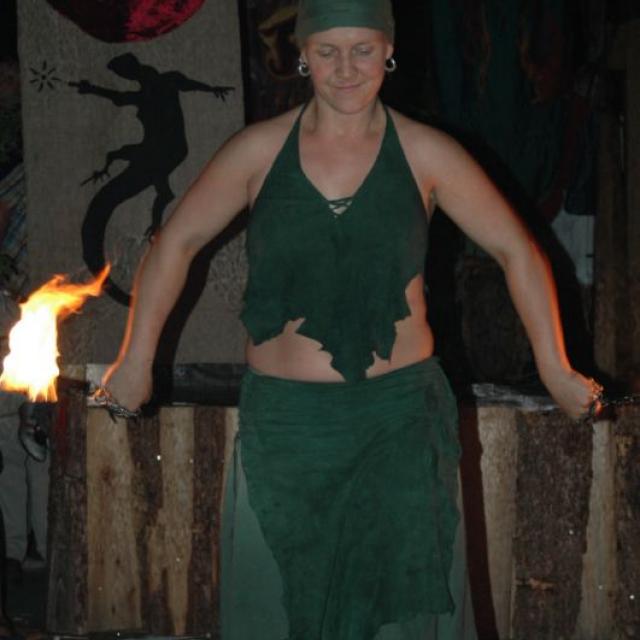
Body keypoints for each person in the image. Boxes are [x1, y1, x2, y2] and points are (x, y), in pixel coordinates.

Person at [102, 0, 602, 637]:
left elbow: (517, 250)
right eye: (327, 51)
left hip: (399, 423)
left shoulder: (427, 152)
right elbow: (176, 242)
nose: (345, 69)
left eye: (362, 50)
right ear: (303, 55)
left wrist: (557, 369)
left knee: (402, 616)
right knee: (275, 614)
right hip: (285, 427)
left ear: (388, 51)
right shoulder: (258, 151)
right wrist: (135, 361)